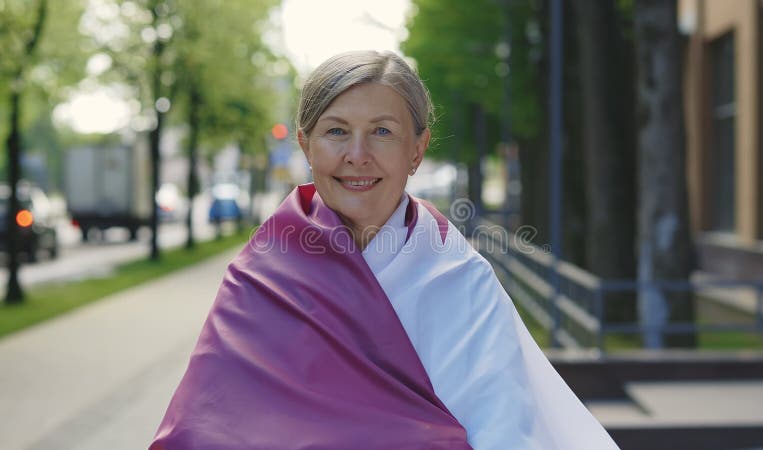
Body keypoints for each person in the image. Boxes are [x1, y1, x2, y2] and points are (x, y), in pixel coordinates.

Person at [150, 50, 619, 450]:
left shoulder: (460, 280)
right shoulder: (258, 278)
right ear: (305, 144)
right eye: (336, 131)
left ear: (417, 150)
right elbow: (204, 428)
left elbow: (503, 432)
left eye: (382, 132)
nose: (357, 154)